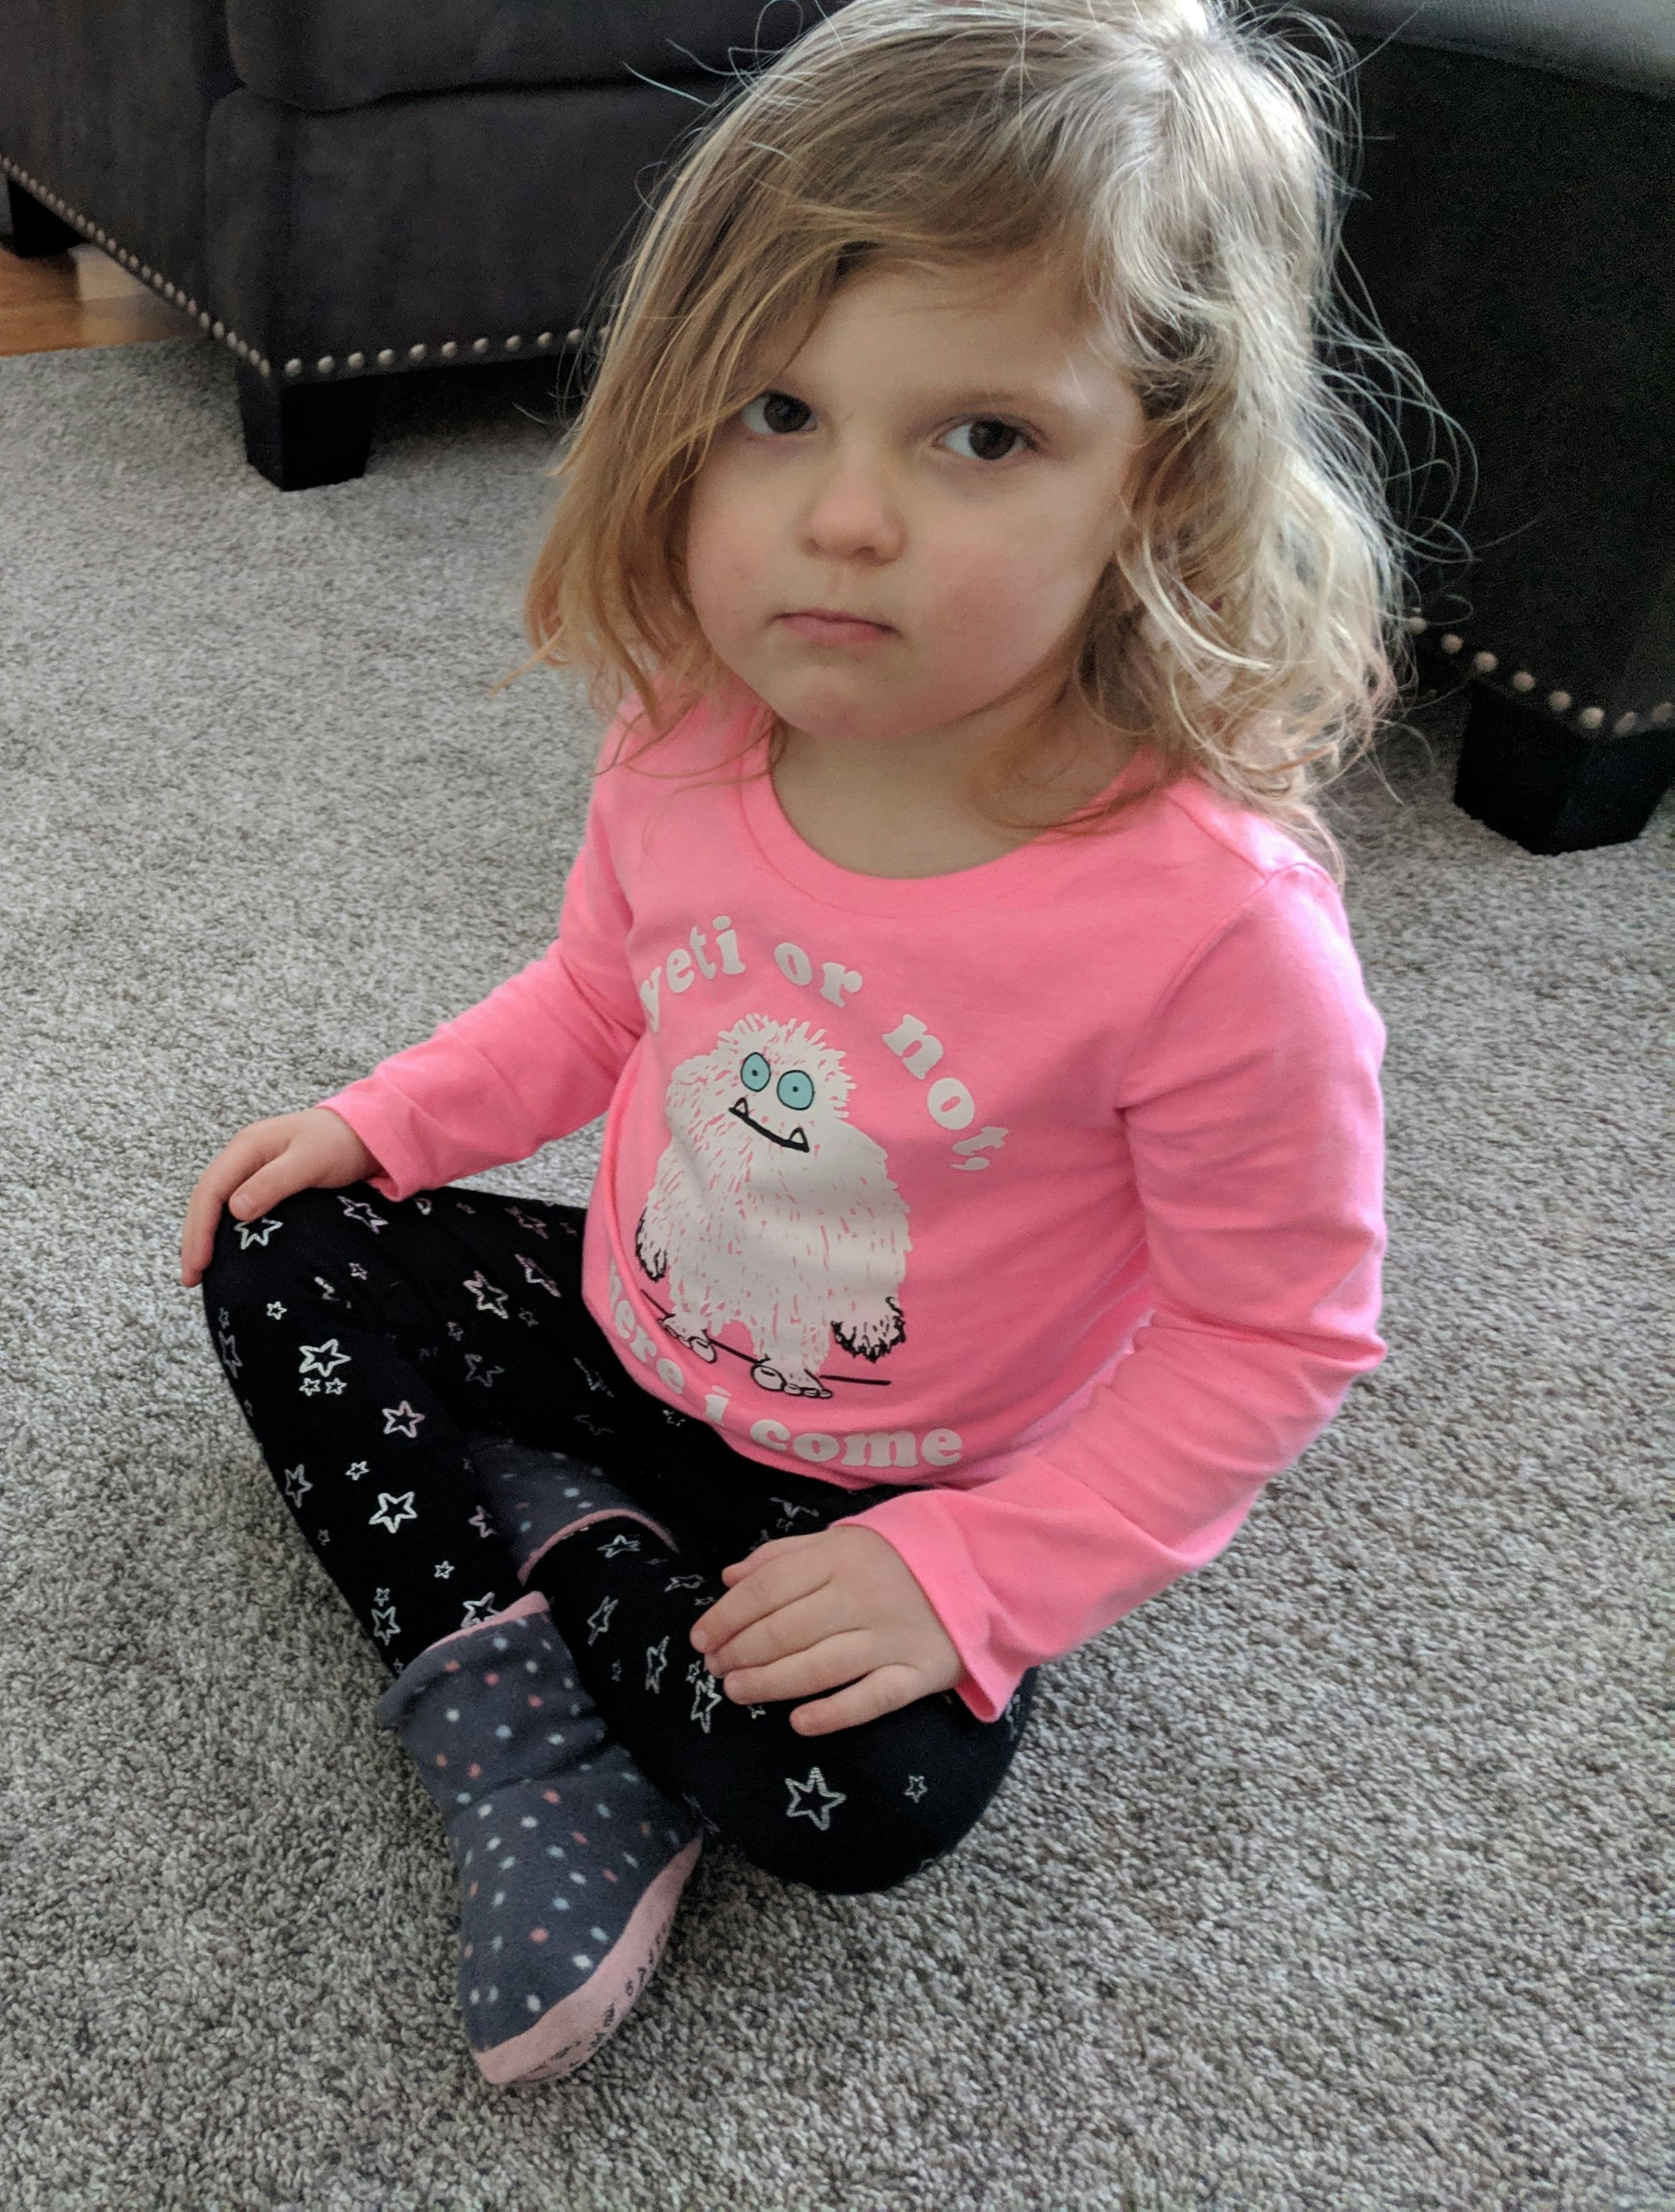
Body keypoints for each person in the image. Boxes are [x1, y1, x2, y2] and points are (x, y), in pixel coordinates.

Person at [181, 0, 1405, 2084]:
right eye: (776, 410)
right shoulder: (689, 729)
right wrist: (382, 1119)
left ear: (1161, 477)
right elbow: (592, 999)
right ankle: (540, 1691)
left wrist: (976, 1573)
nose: (845, 518)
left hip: (915, 1476)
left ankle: (554, 1584)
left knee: (868, 1805)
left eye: (983, 436)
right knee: (273, 1240)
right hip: (631, 1331)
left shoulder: (1212, 924)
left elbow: (1270, 1332)